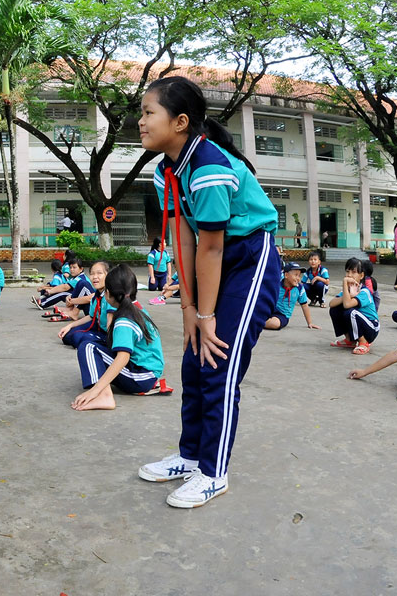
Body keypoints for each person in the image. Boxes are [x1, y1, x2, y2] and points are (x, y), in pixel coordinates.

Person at [133, 77, 280, 509]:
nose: (140, 122)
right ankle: (190, 456)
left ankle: (213, 473)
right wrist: (189, 309)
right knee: (194, 362)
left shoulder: (210, 166)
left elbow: (214, 245)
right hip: (212, 261)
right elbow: (184, 240)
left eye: (148, 113)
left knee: (219, 361)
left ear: (180, 122)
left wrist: (207, 314)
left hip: (249, 259)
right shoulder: (166, 171)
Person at [72, 264, 171, 411]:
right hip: (145, 371)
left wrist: (96, 389)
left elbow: (123, 358)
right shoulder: (135, 308)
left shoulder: (124, 321)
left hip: (142, 376)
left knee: (88, 347)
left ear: (109, 294)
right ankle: (102, 392)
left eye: (106, 291)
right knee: (92, 343)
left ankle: (103, 396)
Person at [328, 258, 380, 354]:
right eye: (347, 271)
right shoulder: (348, 290)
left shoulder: (364, 291)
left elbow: (347, 304)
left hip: (371, 327)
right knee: (335, 309)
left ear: (361, 275)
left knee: (350, 312)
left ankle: (363, 342)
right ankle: (350, 340)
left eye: (354, 272)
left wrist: (344, 282)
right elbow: (331, 304)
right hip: (358, 322)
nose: (349, 275)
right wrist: (347, 294)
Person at [58, 261, 110, 348]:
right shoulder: (97, 294)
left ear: (108, 275)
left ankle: (96, 341)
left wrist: (72, 301)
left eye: (99, 273)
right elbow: (91, 316)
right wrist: (69, 326)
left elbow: (111, 326)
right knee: (66, 336)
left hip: (107, 333)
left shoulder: (110, 296)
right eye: (92, 274)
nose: (95, 277)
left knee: (77, 337)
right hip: (97, 324)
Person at [264, 262, 319, 331]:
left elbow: (305, 305)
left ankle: (257, 322)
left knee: (275, 324)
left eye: (299, 276)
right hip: (269, 309)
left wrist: (310, 323)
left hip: (282, 315)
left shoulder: (300, 289)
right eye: (295, 275)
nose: (298, 278)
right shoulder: (277, 282)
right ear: (286, 275)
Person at [146, 238, 173, 305]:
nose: (165, 244)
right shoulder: (152, 253)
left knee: (162, 288)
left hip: (163, 274)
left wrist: (169, 275)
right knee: (152, 288)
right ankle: (155, 282)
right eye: (164, 242)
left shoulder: (166, 253)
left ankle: (159, 283)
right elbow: (150, 265)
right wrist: (152, 277)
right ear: (160, 244)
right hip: (155, 274)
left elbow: (169, 263)